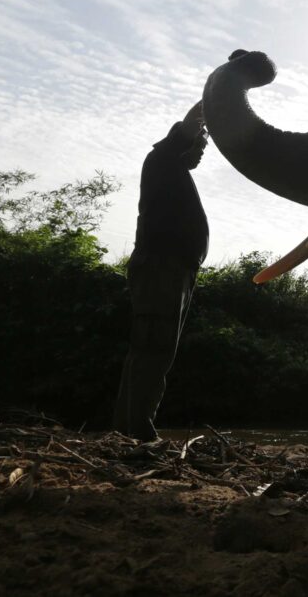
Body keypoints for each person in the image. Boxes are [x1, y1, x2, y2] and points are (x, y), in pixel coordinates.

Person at [113, 101, 209, 440]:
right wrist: (214, 99)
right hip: (161, 269)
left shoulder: (174, 172)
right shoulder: (162, 160)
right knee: (153, 349)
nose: (200, 154)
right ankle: (138, 430)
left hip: (173, 271)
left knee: (155, 350)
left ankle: (130, 428)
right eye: (198, 146)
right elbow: (188, 125)